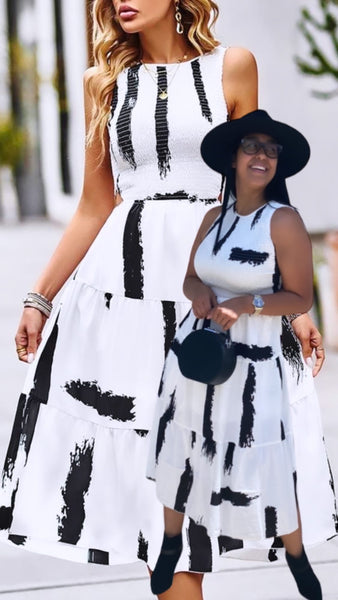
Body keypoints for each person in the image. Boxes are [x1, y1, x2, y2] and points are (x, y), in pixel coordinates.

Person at [0, 1, 329, 598]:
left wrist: (296, 301)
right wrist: (38, 297)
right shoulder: (104, 84)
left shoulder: (232, 68)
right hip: (122, 300)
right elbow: (94, 207)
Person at [148, 110, 337, 599]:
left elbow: (300, 297)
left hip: (253, 364)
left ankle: (295, 554)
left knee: (268, 456)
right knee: (182, 444)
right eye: (252, 146)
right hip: (198, 350)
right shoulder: (214, 218)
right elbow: (191, 276)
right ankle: (171, 541)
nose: (262, 157)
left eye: (271, 151)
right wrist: (199, 295)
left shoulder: (284, 222)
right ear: (233, 158)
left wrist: (247, 302)